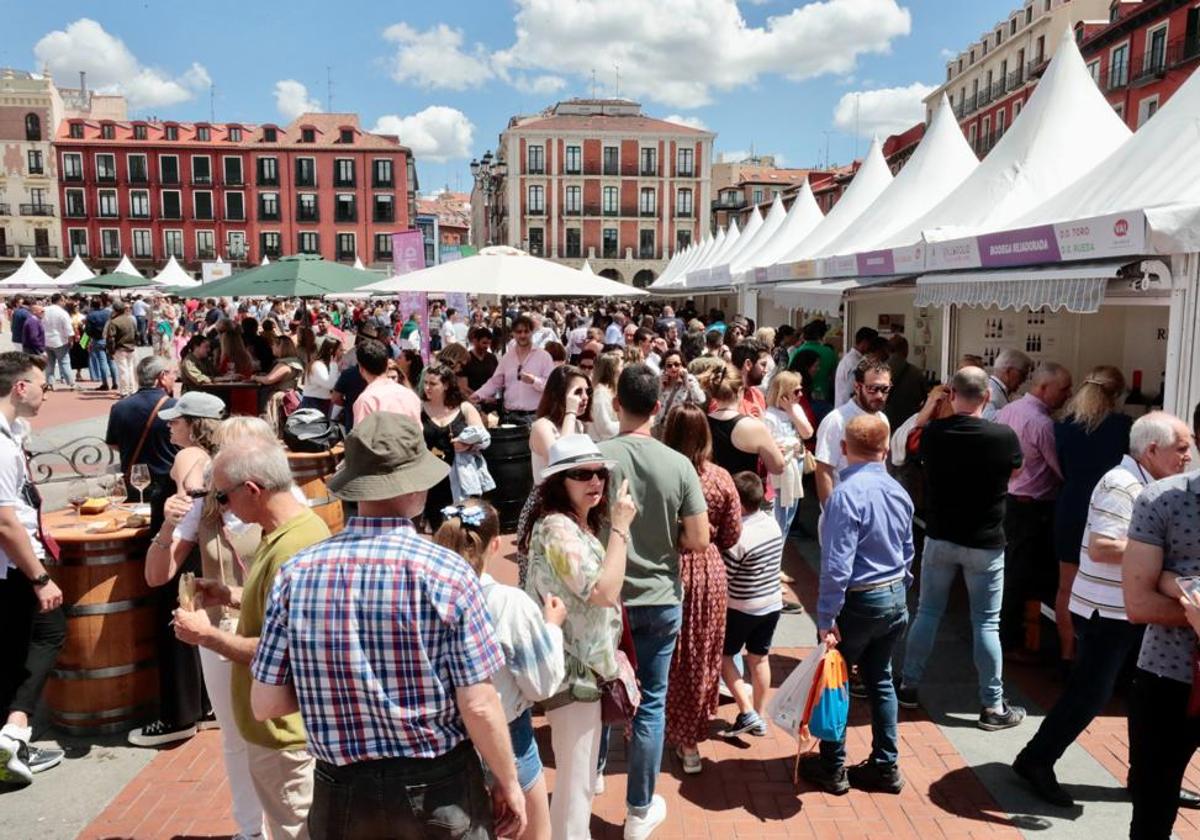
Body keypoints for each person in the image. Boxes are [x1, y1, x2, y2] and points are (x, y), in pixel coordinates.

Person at [250, 413, 526, 839]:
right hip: (437, 786)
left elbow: (265, 703)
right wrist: (510, 782)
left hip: (340, 789)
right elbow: (478, 703)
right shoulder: (447, 572)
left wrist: (337, 690)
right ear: (415, 485)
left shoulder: (296, 573)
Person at [1014, 411, 1194, 810]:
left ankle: (1143, 777)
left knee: (1133, 698)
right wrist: (1157, 552)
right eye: (1181, 449)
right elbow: (1102, 546)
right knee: (1089, 696)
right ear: (1151, 450)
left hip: (1125, 612)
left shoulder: (1145, 482)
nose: (1188, 457)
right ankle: (1035, 759)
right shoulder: (1123, 484)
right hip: (1106, 613)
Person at [175, 436, 330, 839]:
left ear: (253, 490)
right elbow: (282, 612)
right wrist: (230, 595)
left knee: (294, 829)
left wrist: (206, 636)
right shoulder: (290, 531)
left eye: (222, 498)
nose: (220, 507)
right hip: (281, 729)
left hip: (283, 733)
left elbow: (285, 651)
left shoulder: (291, 547)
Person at [597, 364, 710, 839]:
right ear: (657, 407)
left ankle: (593, 774)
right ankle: (639, 809)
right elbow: (700, 539)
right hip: (661, 597)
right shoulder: (678, 464)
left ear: (616, 404)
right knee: (651, 703)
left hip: (608, 596)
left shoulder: (597, 456)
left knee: (599, 692)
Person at [897, 367, 1027, 729]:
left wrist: (930, 406)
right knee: (986, 623)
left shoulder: (934, 433)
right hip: (985, 542)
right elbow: (1016, 475)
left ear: (952, 395)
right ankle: (992, 705)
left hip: (940, 537)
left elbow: (909, 441)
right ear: (986, 397)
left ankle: (908, 685)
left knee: (927, 613)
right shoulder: (1003, 436)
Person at [523, 436, 635, 840]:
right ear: (559, 482)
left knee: (581, 777)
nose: (595, 481)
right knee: (575, 780)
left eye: (599, 473)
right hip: (573, 676)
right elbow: (602, 591)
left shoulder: (576, 524)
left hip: (587, 672)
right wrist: (620, 529)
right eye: (581, 474)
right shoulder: (557, 528)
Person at [435, 499, 564, 840]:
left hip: (442, 753)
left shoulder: (422, 598)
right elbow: (542, 684)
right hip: (508, 741)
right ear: (495, 544)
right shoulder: (509, 603)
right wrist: (552, 627)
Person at [803, 414, 912, 796]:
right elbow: (908, 548)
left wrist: (826, 616)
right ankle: (886, 764)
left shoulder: (845, 497)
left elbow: (837, 565)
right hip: (894, 594)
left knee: (838, 677)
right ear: (884, 449)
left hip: (860, 599)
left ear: (845, 449)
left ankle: (833, 767)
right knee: (880, 678)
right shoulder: (898, 492)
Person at [127, 392, 227, 749]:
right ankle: (201, 708)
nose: (169, 426)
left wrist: (172, 523)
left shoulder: (188, 454)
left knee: (176, 630)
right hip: (196, 551)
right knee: (194, 625)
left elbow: (188, 494)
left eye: (177, 421)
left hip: (177, 551)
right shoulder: (214, 456)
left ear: (195, 426)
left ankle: (177, 718)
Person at [1122, 402, 1200, 839]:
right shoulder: (1162, 500)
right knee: (1153, 808)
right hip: (1170, 676)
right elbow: (1138, 605)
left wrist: (1175, 582)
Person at [658, 404, 740, 773]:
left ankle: (652, 726)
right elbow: (733, 531)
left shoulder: (659, 475)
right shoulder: (720, 478)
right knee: (700, 656)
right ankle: (689, 742)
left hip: (665, 569)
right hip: (707, 572)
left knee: (664, 655)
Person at [0, 353, 66, 786]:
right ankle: (14, 734)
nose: (46, 392)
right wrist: (39, 576)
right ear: (20, 387)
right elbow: (6, 520)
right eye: (42, 384)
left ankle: (11, 737)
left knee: (16, 647)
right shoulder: (2, 446)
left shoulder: (12, 434)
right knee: (51, 630)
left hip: (14, 563)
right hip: (13, 565)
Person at [1049, 366, 1132, 666]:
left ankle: (1066, 654)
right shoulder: (1123, 426)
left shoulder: (1063, 425)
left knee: (1066, 587)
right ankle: (1098, 659)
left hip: (1072, 504)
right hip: (1111, 507)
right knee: (1110, 586)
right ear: (1116, 395)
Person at [996, 361, 1072, 653]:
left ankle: (1009, 631)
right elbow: (1060, 469)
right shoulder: (1042, 424)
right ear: (1043, 388)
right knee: (1023, 573)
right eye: (1063, 389)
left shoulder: (1008, 410)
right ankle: (1014, 636)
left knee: (1011, 568)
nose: (1067, 395)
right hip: (1033, 508)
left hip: (1010, 500)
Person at [719, 471, 785, 740]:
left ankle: (747, 712)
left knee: (724, 659)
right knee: (760, 658)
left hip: (742, 607)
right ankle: (759, 714)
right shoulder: (772, 524)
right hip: (771, 603)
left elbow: (725, 577)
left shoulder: (738, 537)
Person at [813, 358, 892, 508]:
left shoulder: (883, 420)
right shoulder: (835, 421)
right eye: (873, 389)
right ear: (857, 387)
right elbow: (823, 468)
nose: (880, 395)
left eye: (885, 389)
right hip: (844, 508)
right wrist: (831, 512)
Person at [106, 356, 179, 515]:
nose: (175, 378)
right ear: (162, 376)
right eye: (173, 373)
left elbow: (112, 443)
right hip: (169, 485)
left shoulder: (119, 407)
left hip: (134, 483)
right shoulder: (176, 407)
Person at [420, 363, 485, 531]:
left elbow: (485, 439)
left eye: (433, 384)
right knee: (437, 530)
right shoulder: (419, 408)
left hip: (460, 478)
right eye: (425, 382)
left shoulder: (464, 408)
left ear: (446, 385)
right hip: (431, 481)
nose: (427, 387)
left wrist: (467, 445)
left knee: (463, 529)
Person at [701, 364, 786, 485]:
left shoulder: (702, 422)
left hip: (712, 495)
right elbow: (778, 467)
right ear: (740, 391)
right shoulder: (754, 427)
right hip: (744, 498)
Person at [472, 315, 555, 426]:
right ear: (513, 333)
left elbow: (551, 386)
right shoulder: (507, 357)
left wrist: (534, 381)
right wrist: (478, 395)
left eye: (526, 331)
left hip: (534, 416)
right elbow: (495, 382)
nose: (523, 335)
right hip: (509, 416)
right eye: (519, 332)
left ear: (532, 332)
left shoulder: (544, 356)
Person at [761, 370, 814, 535]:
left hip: (796, 464)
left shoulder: (796, 409)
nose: (801, 394)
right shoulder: (769, 415)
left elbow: (808, 433)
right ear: (783, 392)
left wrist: (791, 411)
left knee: (791, 512)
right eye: (796, 391)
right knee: (779, 517)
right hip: (780, 470)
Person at [352, 337, 420, 426]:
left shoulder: (367, 400)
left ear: (361, 368)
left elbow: (361, 438)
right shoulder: (411, 396)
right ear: (386, 364)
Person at [652, 348, 705, 438]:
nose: (673, 368)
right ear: (664, 367)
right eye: (669, 365)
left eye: (677, 364)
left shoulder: (690, 379)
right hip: (659, 426)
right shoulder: (660, 379)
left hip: (678, 429)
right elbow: (654, 401)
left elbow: (700, 400)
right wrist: (661, 386)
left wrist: (687, 380)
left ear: (682, 365)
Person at [883, 335, 927, 430]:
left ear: (887, 350)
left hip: (884, 420)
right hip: (908, 425)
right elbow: (926, 400)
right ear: (906, 350)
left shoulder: (877, 371)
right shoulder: (916, 373)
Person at [833, 327, 879, 407]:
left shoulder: (851, 359)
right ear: (864, 342)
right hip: (847, 411)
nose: (873, 348)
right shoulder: (854, 363)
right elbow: (852, 392)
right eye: (872, 344)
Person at [983, 349, 1033, 421]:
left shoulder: (998, 389)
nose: (1024, 380)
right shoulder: (991, 390)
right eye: (1023, 374)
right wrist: (1018, 410)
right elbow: (986, 418)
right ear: (1009, 371)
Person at [105, 300, 139, 397]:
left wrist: (110, 351)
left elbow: (111, 338)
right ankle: (133, 389)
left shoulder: (114, 322)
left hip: (120, 348)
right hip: (131, 347)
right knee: (130, 368)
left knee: (123, 370)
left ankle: (124, 391)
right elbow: (137, 334)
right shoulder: (130, 320)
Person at [299, 337, 341, 415]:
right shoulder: (318, 366)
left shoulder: (327, 366)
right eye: (340, 350)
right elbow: (330, 385)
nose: (343, 353)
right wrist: (334, 365)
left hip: (322, 404)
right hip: (313, 405)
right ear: (332, 351)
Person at [587, 351, 623, 442]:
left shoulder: (612, 391)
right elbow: (605, 429)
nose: (623, 369)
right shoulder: (601, 393)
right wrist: (629, 425)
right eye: (621, 366)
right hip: (600, 445)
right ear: (613, 369)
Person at [42, 294, 75, 390]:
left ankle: (50, 383)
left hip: (46, 340)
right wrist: (71, 341)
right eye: (64, 300)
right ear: (60, 300)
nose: (64, 302)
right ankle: (71, 383)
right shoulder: (63, 313)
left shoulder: (44, 310)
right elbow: (68, 329)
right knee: (64, 362)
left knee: (49, 364)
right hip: (60, 341)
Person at [84, 298, 118, 392]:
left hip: (97, 339)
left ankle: (105, 384)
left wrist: (91, 337)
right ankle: (115, 383)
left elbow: (88, 330)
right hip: (109, 339)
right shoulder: (108, 313)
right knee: (111, 361)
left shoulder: (90, 315)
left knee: (102, 362)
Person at [730, 339, 770, 418]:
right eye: (763, 364)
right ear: (748, 364)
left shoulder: (758, 395)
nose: (766, 370)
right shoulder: (724, 397)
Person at [463, 327, 498, 395]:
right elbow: (463, 386)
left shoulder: (492, 358)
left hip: (490, 400)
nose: (486, 346)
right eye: (484, 343)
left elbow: (496, 380)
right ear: (475, 341)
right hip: (473, 400)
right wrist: (480, 397)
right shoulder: (466, 359)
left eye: (488, 343)